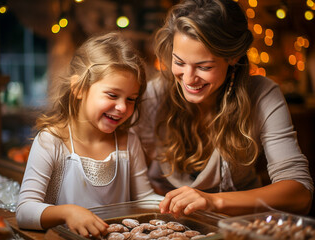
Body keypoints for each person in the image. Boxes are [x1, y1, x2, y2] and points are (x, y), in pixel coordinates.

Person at [134, 0, 314, 218]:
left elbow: (300, 195)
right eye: (179, 63)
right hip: (164, 220)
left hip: (235, 223)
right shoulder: (153, 95)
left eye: (204, 67)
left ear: (233, 56)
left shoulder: (262, 94)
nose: (189, 79)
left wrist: (213, 201)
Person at [16, 32, 161, 238]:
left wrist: (170, 202)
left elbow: (144, 199)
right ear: (78, 88)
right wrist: (68, 212)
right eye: (112, 95)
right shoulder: (52, 141)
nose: (122, 107)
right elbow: (24, 211)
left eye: (131, 99)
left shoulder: (129, 141)